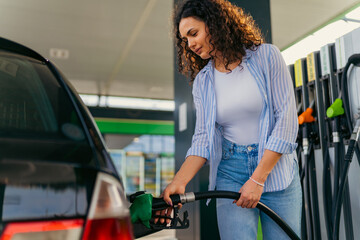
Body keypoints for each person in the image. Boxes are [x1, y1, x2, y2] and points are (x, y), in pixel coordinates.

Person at [156, 0, 302, 239]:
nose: (189, 44)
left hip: (276, 171)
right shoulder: (203, 82)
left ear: (215, 24)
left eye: (193, 33)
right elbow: (202, 139)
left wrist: (257, 179)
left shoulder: (267, 57)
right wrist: (178, 182)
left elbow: (286, 122)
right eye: (185, 39)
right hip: (231, 171)